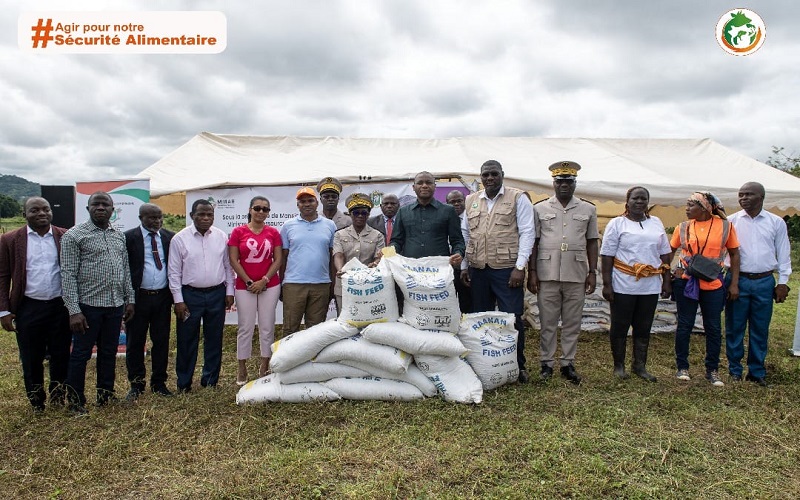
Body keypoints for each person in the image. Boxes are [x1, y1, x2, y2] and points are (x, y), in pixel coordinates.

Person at [61, 192, 135, 414]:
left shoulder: (118, 236)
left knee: (108, 351)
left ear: (113, 210)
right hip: (87, 307)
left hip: (114, 305)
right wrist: (74, 311)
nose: (101, 208)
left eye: (106, 204)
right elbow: (67, 275)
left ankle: (105, 394)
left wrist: (129, 299)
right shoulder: (74, 236)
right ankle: (75, 401)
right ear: (88, 208)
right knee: (81, 354)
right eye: (96, 204)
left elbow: (125, 269)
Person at [460, 161, 534, 383]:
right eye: (486, 174)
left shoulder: (518, 198)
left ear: (502, 175)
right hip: (478, 269)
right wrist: (464, 265)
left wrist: (520, 267)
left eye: (494, 174)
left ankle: (518, 366)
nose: (490, 178)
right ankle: (484, 365)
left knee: (512, 318)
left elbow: (528, 232)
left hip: (506, 270)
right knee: (480, 318)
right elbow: (466, 233)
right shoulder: (471, 200)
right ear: (480, 177)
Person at [528, 161, 599, 384]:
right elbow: (534, 242)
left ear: (575, 183)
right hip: (546, 273)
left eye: (569, 181)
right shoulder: (539, 208)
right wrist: (531, 272)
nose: (564, 185)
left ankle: (567, 363)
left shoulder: (588, 209)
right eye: (560, 181)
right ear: (554, 183)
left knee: (572, 322)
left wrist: (593, 272)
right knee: (547, 322)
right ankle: (546, 363)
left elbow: (592, 242)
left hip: (576, 273)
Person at [0, 197, 71, 413]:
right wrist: (4, 310)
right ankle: (36, 401)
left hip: (60, 306)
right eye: (34, 210)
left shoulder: (64, 236)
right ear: (24, 215)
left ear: (51, 212)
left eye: (46, 209)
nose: (41, 213)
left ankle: (58, 396)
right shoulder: (10, 239)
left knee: (61, 354)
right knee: (31, 357)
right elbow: (2, 276)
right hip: (28, 307)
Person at [600, 187, 672, 382]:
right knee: (620, 325)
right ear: (627, 201)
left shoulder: (656, 223)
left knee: (643, 326)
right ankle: (619, 366)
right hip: (624, 283)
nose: (639, 202)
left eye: (644, 199)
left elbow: (665, 253)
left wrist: (666, 280)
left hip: (650, 285)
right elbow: (607, 255)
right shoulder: (617, 224)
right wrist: (607, 284)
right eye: (635, 198)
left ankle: (639, 366)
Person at [725, 182, 791, 387]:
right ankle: (734, 370)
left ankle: (756, 371)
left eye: (748, 195)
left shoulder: (776, 222)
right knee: (734, 327)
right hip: (738, 280)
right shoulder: (731, 221)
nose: (743, 198)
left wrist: (783, 282)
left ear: (761, 197)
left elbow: (784, 253)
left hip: (764, 281)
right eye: (740, 195)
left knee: (760, 328)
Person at [670, 191, 739, 387]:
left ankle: (713, 370)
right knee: (685, 324)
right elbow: (670, 251)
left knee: (713, 327)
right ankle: (682, 367)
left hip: (713, 283)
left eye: (691, 205)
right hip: (686, 280)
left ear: (705, 208)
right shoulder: (682, 227)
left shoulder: (725, 226)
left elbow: (734, 254)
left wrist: (733, 283)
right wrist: (668, 273)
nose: (686, 208)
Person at [168, 199, 235, 393]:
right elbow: (174, 273)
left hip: (216, 294)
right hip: (190, 296)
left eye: (209, 215)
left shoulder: (221, 236)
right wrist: (178, 300)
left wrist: (229, 291)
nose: (206, 218)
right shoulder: (179, 239)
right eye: (201, 215)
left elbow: (228, 266)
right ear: (192, 216)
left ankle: (210, 381)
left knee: (214, 339)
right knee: (187, 340)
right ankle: (184, 383)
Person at [228, 196, 282, 385]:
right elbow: (234, 260)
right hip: (245, 286)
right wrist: (250, 281)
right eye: (257, 208)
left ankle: (264, 365)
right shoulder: (238, 232)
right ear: (250, 210)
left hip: (270, 285)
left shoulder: (273, 232)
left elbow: (278, 259)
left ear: (268, 212)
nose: (261, 212)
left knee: (267, 325)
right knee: (245, 327)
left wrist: (264, 280)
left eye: (265, 209)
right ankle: (241, 368)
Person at [124, 203, 175, 400]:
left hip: (162, 298)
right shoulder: (129, 238)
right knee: (135, 343)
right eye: (152, 217)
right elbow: (124, 270)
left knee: (161, 341)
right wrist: (128, 299)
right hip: (137, 300)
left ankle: (159, 383)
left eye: (159, 217)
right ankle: (136, 385)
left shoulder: (170, 237)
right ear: (140, 218)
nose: (157, 221)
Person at [280, 187, 337, 334]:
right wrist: (282, 284)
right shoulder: (288, 226)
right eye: (302, 201)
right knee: (290, 329)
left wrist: (332, 283)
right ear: (297, 205)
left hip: (321, 284)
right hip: (293, 284)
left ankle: (313, 358)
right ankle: (290, 357)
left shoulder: (330, 225)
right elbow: (283, 257)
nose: (307, 204)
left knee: (316, 331)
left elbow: (332, 257)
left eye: (310, 200)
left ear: (317, 203)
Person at [390, 171, 465, 267]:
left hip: (440, 270)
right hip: (410, 270)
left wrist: (458, 253)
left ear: (435, 186)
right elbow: (396, 241)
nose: (424, 186)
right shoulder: (403, 212)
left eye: (428, 182)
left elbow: (457, 241)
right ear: (413, 187)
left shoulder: (448, 210)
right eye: (420, 183)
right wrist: (387, 254)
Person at [333, 193, 385, 312]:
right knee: (345, 322)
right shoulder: (339, 235)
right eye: (356, 213)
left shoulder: (377, 235)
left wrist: (376, 263)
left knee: (367, 321)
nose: (360, 216)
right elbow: (338, 254)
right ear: (350, 214)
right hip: (344, 284)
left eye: (364, 213)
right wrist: (340, 269)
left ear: (368, 215)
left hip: (368, 286)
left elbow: (379, 257)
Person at [446, 189, 473, 314]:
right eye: (452, 202)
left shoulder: (471, 217)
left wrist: (464, 266)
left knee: (467, 302)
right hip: (448, 268)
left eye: (459, 201)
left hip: (467, 267)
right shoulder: (444, 218)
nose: (456, 204)